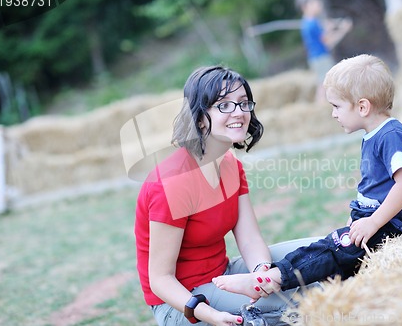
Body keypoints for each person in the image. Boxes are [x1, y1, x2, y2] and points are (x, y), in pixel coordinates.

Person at [212, 54, 402, 302]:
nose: (334, 114)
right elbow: (375, 187)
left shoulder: (391, 136)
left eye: (336, 106)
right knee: (327, 253)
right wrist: (359, 215)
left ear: (362, 107)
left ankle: (270, 280)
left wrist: (373, 222)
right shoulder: (376, 135)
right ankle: (277, 277)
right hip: (379, 221)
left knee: (329, 251)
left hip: (394, 226)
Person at [135, 65, 319, 326]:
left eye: (244, 103)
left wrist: (261, 275)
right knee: (311, 297)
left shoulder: (231, 164)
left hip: (225, 274)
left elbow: (250, 238)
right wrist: (209, 315)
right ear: (199, 117)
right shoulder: (171, 183)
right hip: (183, 303)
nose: (239, 113)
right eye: (224, 105)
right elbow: (160, 280)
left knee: (322, 256)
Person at [295, 0, 353, 105]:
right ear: (306, 6)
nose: (319, 5)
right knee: (325, 85)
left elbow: (323, 36)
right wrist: (343, 30)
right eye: (315, 3)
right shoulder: (312, 24)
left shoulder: (310, 22)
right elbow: (328, 42)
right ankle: (320, 108)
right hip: (320, 57)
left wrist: (330, 28)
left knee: (323, 84)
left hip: (316, 57)